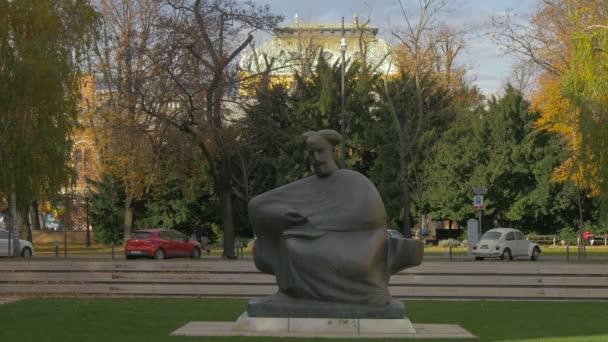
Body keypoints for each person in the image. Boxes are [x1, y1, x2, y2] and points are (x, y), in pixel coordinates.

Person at [248, 129, 422, 306]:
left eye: (320, 151)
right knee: (290, 242)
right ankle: (291, 292)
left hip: (360, 241)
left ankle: (358, 294)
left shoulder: (354, 181)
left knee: (294, 244)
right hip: (320, 239)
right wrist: (283, 215)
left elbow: (373, 216)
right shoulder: (309, 184)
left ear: (333, 151)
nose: (316, 158)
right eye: (312, 153)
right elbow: (258, 204)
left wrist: (316, 223)